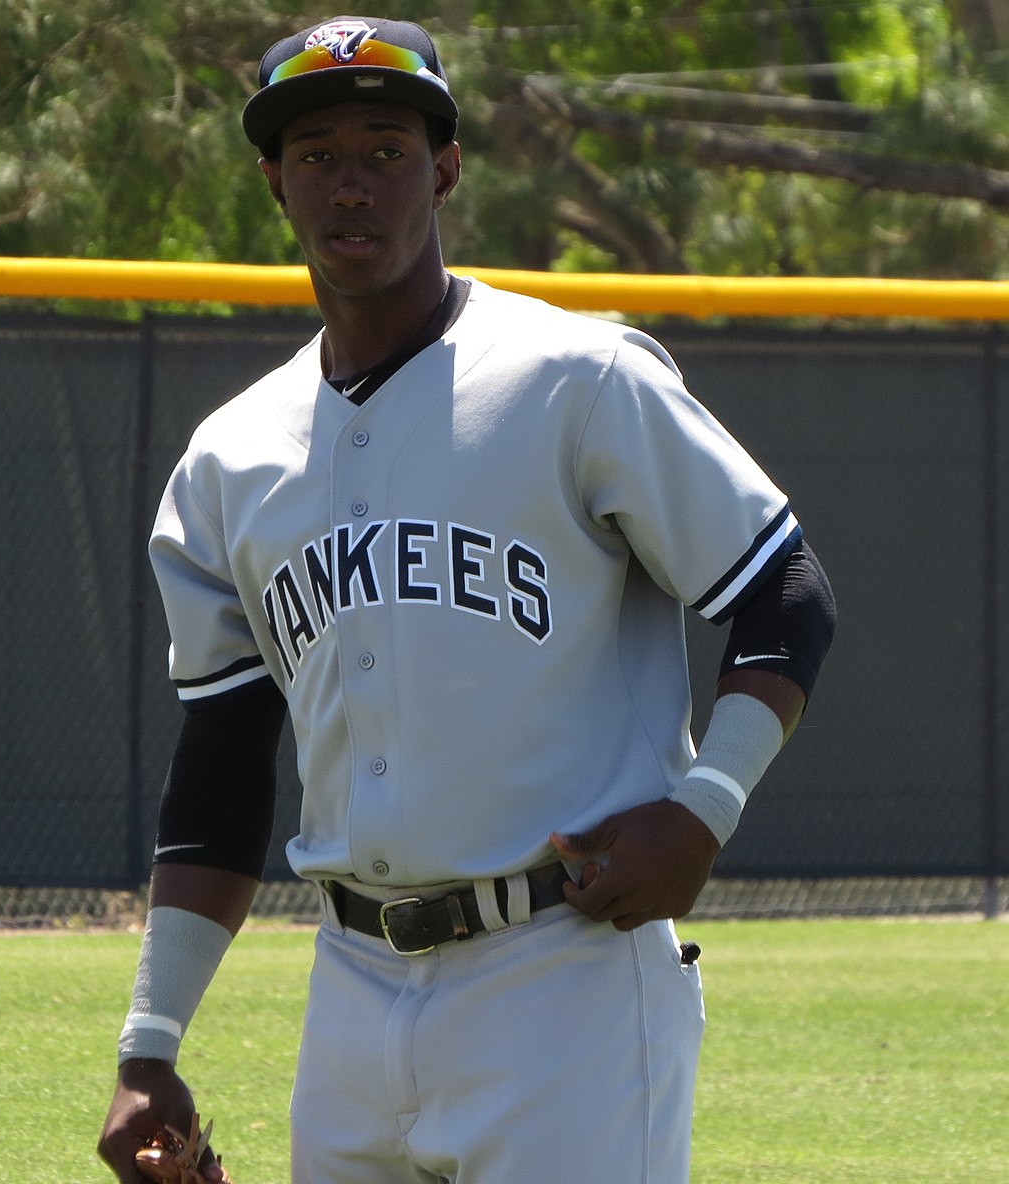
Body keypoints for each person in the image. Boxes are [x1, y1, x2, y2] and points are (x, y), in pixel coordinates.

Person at [98, 15, 836, 1184]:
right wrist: (151, 1043)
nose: (353, 181)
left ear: (445, 167)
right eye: (318, 150)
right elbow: (226, 754)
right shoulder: (230, 458)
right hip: (350, 989)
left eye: (386, 147)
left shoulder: (577, 377)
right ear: (275, 181)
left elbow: (786, 587)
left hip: (565, 978)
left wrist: (705, 807)